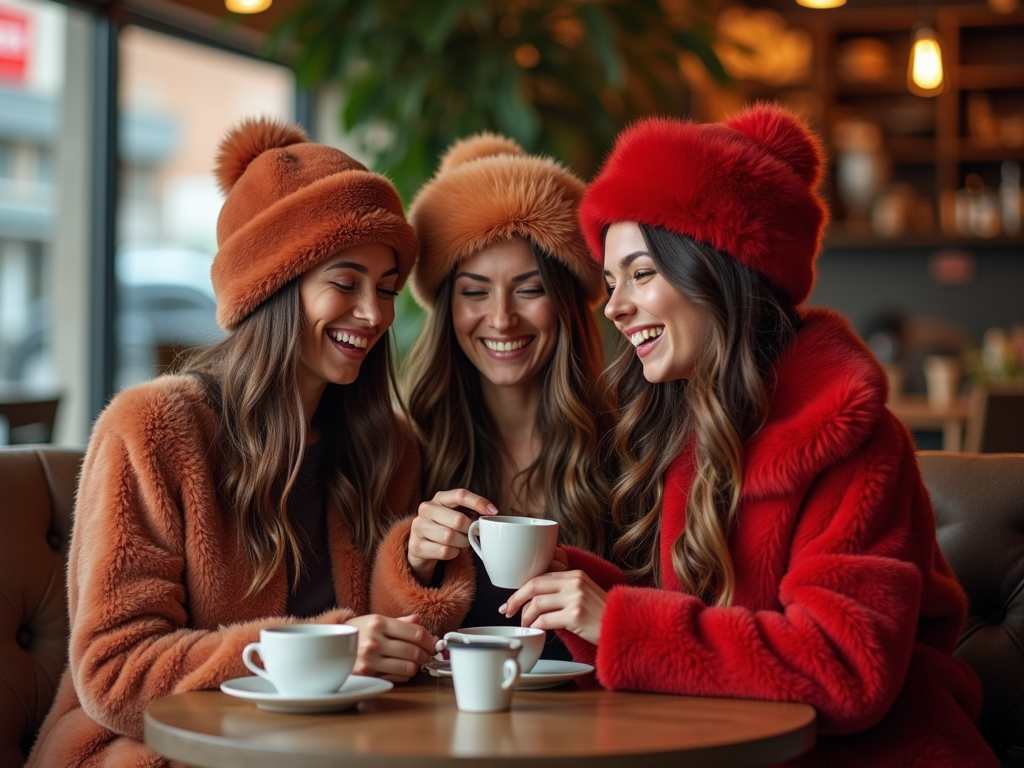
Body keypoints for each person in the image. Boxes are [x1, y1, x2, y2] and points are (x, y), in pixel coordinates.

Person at [502, 104, 998, 765]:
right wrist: (567, 582)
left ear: (719, 269)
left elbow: (845, 672)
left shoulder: (855, 440)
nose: (615, 307)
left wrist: (616, 620)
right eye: (612, 281)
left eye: (642, 274)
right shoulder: (693, 424)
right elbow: (711, 639)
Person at [27, 118, 440, 767]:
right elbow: (116, 673)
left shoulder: (386, 445)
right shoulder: (154, 428)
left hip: (325, 749)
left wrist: (420, 572)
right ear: (275, 281)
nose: (375, 314)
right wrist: (319, 650)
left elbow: (388, 644)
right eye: (345, 281)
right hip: (147, 751)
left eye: (386, 289)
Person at [370, 134, 608, 653]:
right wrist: (412, 563)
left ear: (565, 301)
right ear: (447, 309)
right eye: (475, 292)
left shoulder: (629, 444)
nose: (501, 319)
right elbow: (381, 639)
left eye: (529, 289)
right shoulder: (406, 449)